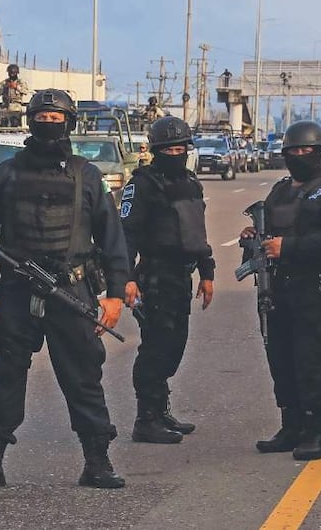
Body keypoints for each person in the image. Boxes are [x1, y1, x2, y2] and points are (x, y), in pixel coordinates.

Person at [0, 88, 129, 492]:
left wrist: (115, 293)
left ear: (69, 124)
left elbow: (112, 237)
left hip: (71, 291)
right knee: (7, 377)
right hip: (16, 292)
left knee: (83, 377)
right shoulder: (7, 174)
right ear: (30, 121)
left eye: (56, 119)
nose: (49, 124)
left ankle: (97, 462)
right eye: (42, 118)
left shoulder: (87, 175)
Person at [241, 121, 321, 461]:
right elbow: (267, 229)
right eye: (293, 151)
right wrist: (253, 238)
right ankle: (290, 426)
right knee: (280, 359)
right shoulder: (280, 191)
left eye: (306, 150)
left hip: (313, 288)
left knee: (311, 361)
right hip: (276, 287)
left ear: (320, 153)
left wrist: (288, 247)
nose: (299, 156)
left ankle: (316, 433)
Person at [120, 116, 215, 444]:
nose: (175, 154)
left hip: (181, 276)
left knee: (174, 346)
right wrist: (126, 279)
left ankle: (160, 411)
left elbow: (196, 232)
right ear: (156, 150)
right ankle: (146, 419)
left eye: (179, 149)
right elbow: (126, 235)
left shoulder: (191, 183)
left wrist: (207, 273)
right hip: (154, 276)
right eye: (168, 149)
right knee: (156, 348)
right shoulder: (142, 184)